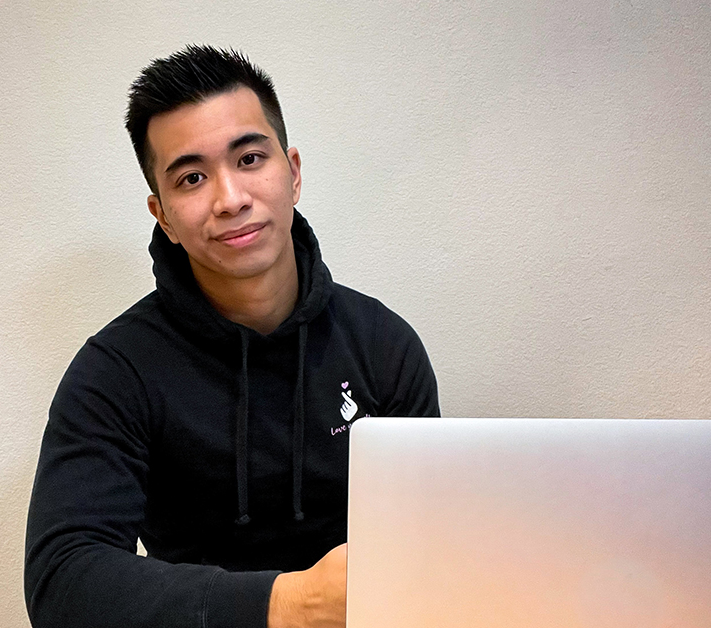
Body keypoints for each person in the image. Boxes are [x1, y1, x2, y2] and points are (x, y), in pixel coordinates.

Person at [24, 45, 439, 628]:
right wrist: (289, 605)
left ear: (292, 173)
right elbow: (62, 581)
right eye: (192, 177)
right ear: (163, 214)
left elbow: (427, 551)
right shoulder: (115, 372)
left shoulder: (383, 347)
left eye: (249, 159)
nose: (231, 199)